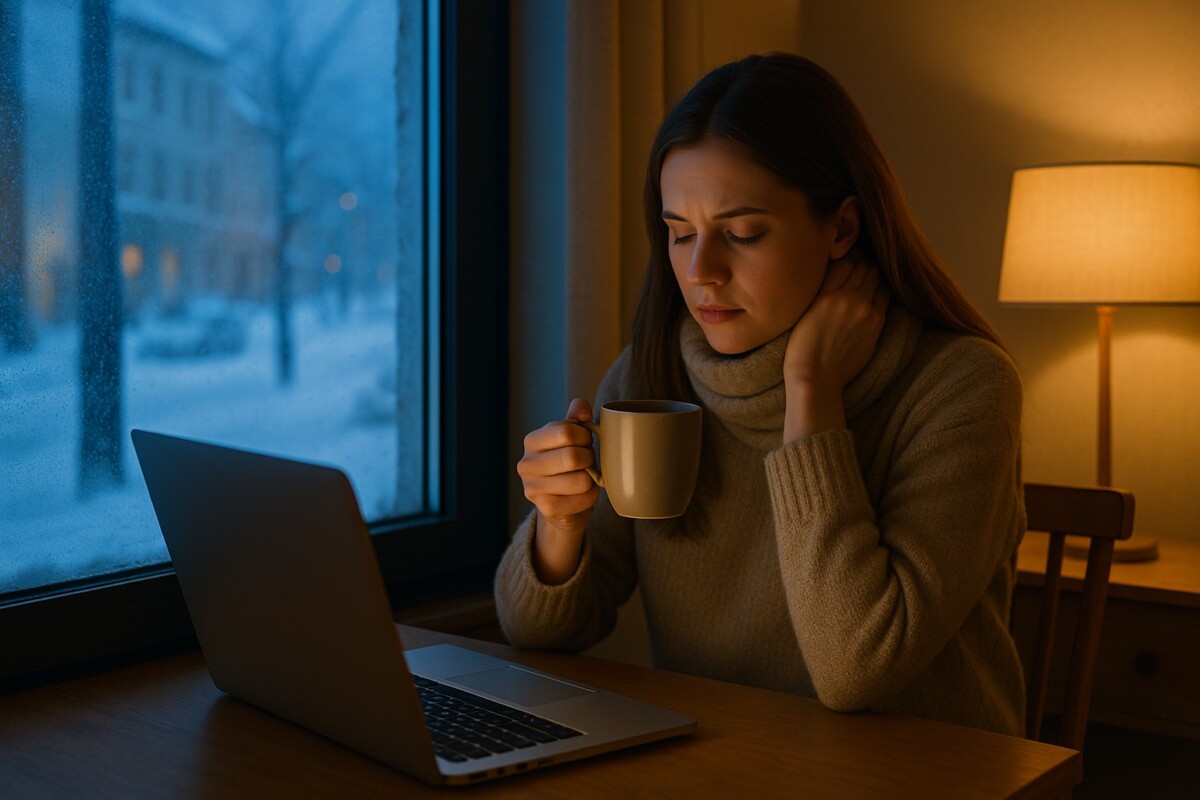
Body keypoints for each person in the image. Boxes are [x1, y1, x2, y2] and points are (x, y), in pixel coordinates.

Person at [495, 52, 1025, 736]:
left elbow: (855, 669)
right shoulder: (652, 376)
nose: (699, 272)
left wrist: (811, 391)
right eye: (679, 232)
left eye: (741, 233)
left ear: (841, 228)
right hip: (719, 765)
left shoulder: (960, 387)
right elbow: (540, 636)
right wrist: (557, 524)